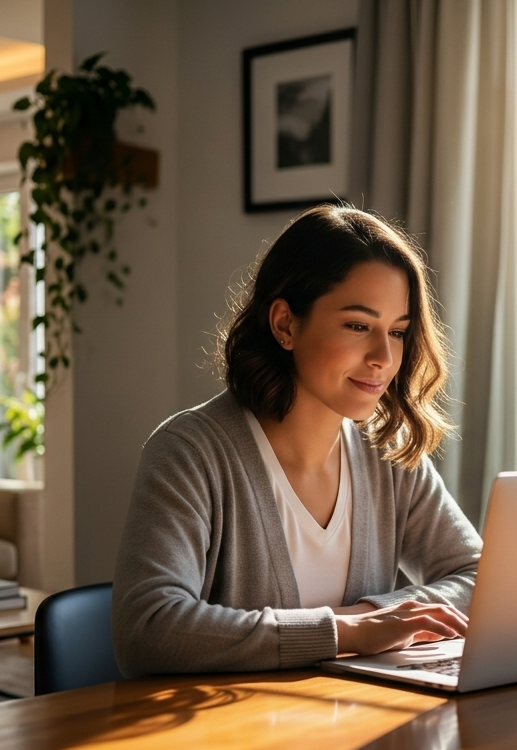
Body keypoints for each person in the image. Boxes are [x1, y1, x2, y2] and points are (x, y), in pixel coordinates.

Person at [112, 205, 482, 676]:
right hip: (227, 738)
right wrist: (345, 633)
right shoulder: (190, 451)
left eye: (397, 332)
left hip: (350, 724)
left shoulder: (388, 451)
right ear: (286, 324)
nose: (384, 357)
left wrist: (373, 617)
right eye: (357, 325)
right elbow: (147, 630)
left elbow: (478, 578)